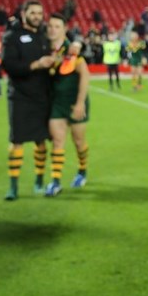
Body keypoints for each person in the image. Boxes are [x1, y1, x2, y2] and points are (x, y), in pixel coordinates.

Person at [1, 0, 55, 201]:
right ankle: (13, 187)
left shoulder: (44, 35)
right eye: (33, 13)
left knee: (41, 141)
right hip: (20, 96)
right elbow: (9, 65)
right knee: (17, 141)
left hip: (42, 96)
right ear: (24, 14)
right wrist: (36, 65)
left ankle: (39, 181)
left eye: (40, 13)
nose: (37, 17)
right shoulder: (12, 36)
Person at [44, 13, 90, 195]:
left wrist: (80, 103)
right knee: (57, 141)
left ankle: (82, 170)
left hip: (74, 102)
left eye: (57, 26)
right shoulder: (44, 49)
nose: (53, 30)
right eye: (50, 26)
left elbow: (85, 75)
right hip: (56, 102)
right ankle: (55, 182)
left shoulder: (72, 51)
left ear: (64, 29)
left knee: (78, 141)